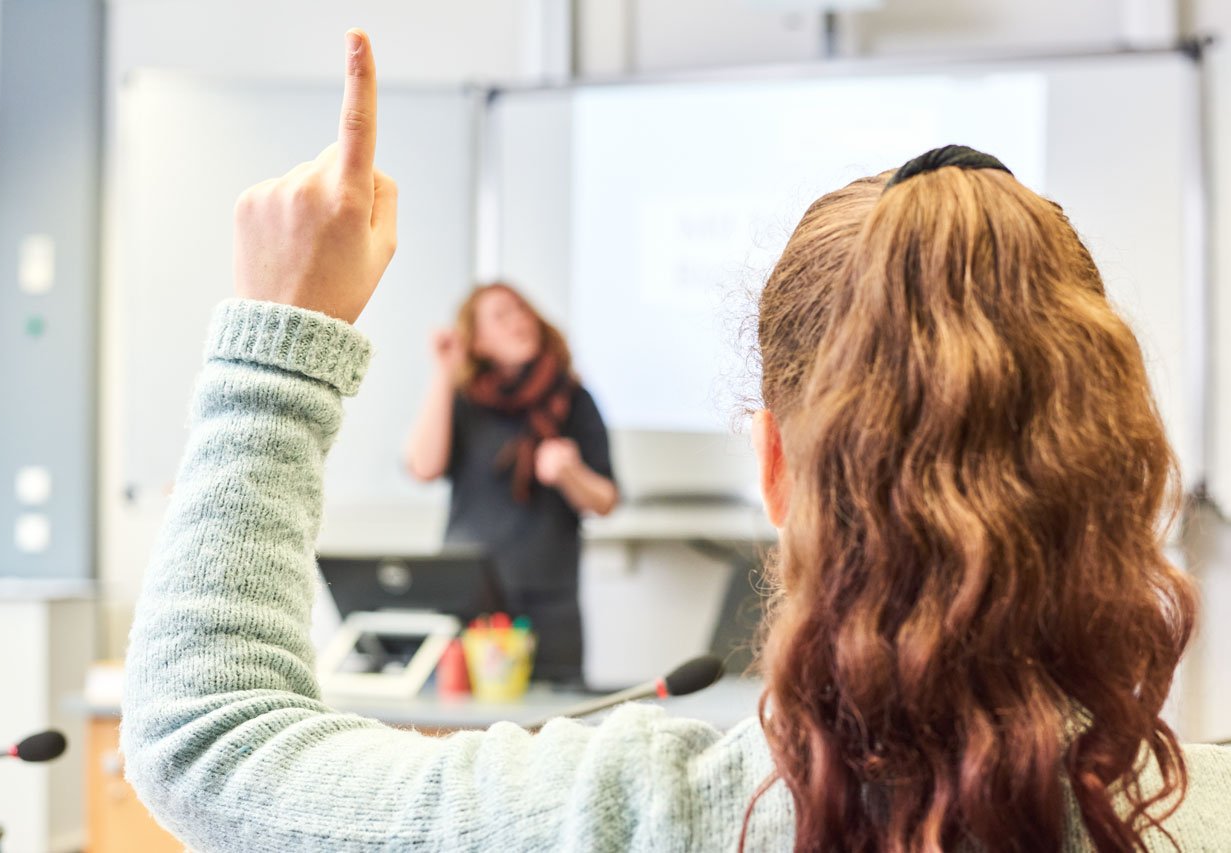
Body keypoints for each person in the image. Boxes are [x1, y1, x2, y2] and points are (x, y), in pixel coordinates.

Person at [122, 29, 1231, 852]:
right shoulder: (1202, 815)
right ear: (1112, 463)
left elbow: (212, 747)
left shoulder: (631, 810)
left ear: (773, 466)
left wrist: (285, 337)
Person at [405, 281, 617, 684]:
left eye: (521, 310)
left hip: (548, 604)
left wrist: (571, 474)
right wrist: (444, 373)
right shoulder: (463, 399)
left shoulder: (573, 399)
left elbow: (606, 500)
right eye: (501, 315)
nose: (519, 320)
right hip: (470, 599)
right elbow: (424, 466)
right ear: (478, 341)